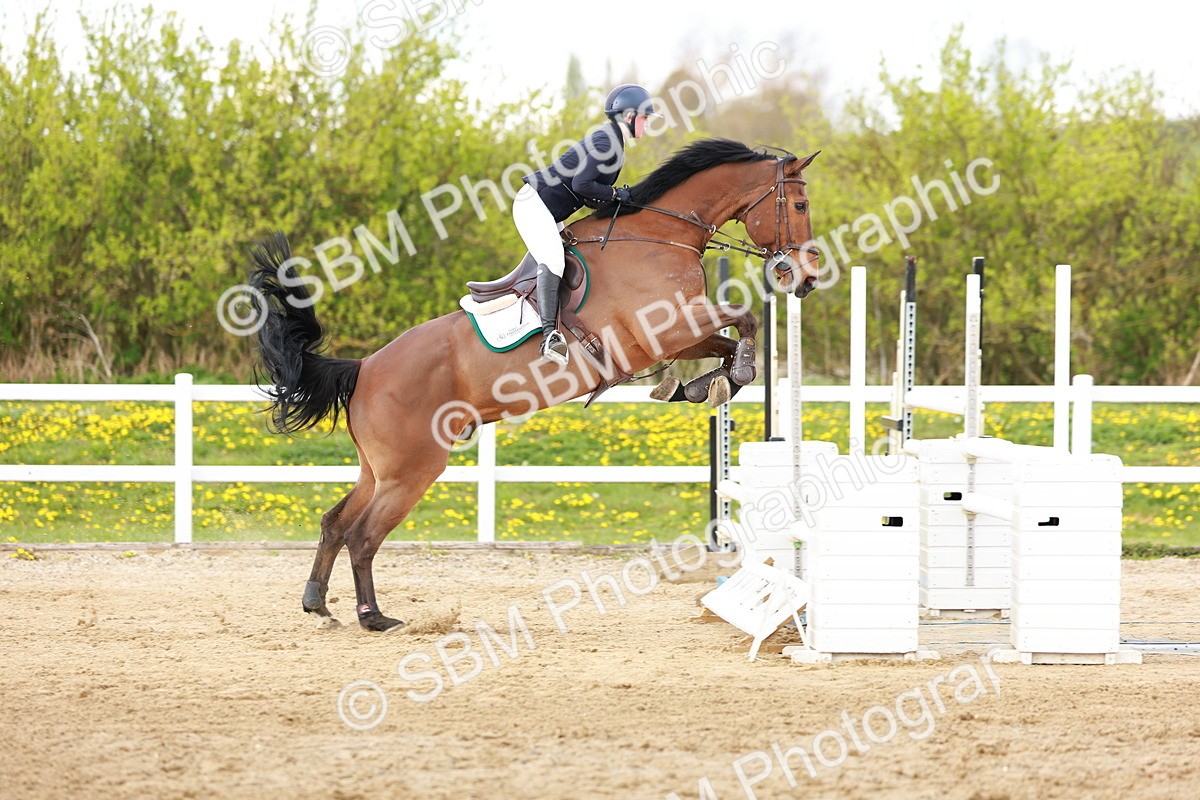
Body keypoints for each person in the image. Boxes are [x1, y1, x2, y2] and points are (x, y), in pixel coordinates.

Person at [513, 83, 658, 366]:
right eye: (644, 118)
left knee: (573, 256)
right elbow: (582, 184)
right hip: (534, 205)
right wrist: (616, 194)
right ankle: (549, 337)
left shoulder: (612, 140)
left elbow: (587, 193)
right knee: (554, 262)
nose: (647, 125)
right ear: (628, 116)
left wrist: (617, 201)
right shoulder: (607, 141)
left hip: (549, 210)